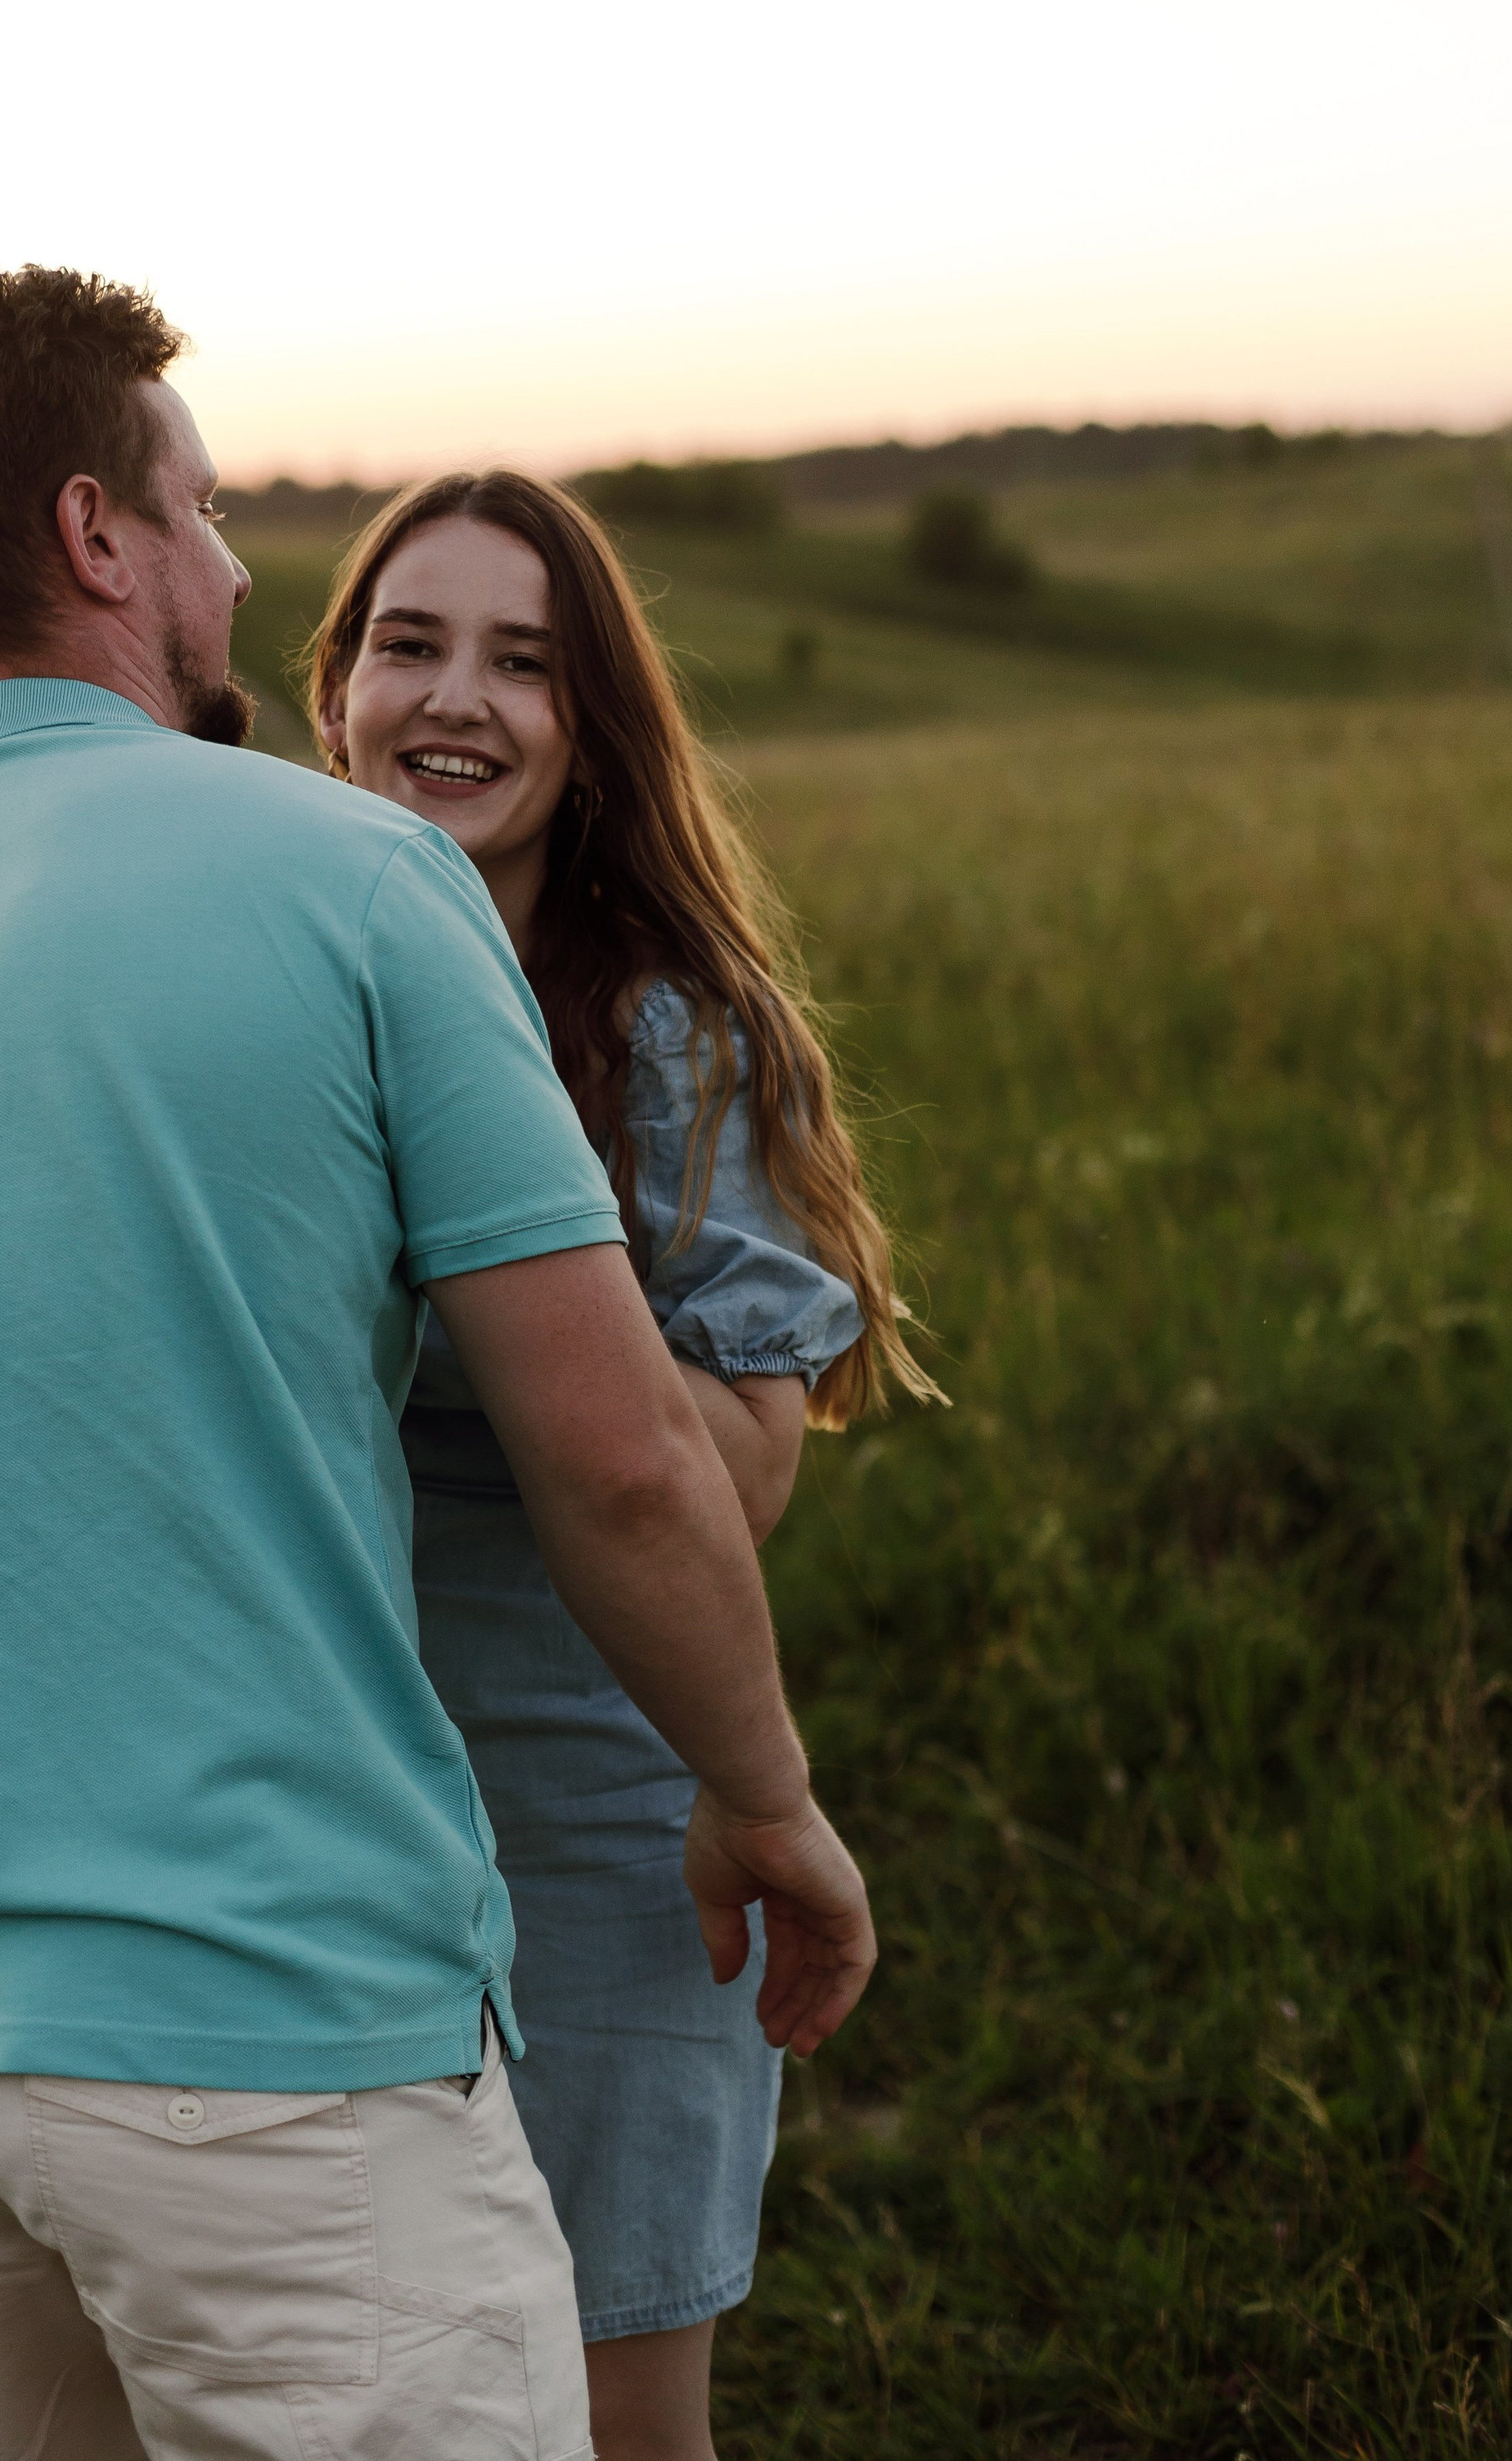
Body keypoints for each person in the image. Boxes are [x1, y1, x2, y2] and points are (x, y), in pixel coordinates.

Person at [0, 265, 878, 2461]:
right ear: (96, 538)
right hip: (247, 2017)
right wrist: (777, 1799)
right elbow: (626, 1464)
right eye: (205, 512)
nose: (238, 564)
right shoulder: (348, 885)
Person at [311, 470, 938, 2461]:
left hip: (594, 1804)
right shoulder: (257, 994)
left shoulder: (664, 1034)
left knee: (610, 2386)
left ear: (587, 741)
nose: (456, 700)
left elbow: (730, 1485)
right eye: (409, 642)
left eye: (524, 663)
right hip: (304, 1793)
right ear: (329, 688)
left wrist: (513, 1256)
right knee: (338, 2373)